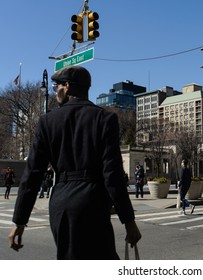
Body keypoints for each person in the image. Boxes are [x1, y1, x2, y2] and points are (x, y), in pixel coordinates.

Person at [8, 66, 141, 259]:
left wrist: (19, 222)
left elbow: (32, 175)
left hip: (61, 203)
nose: (55, 92)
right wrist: (128, 220)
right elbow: (112, 175)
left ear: (67, 87)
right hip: (93, 203)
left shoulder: (47, 122)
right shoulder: (104, 118)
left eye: (57, 87)